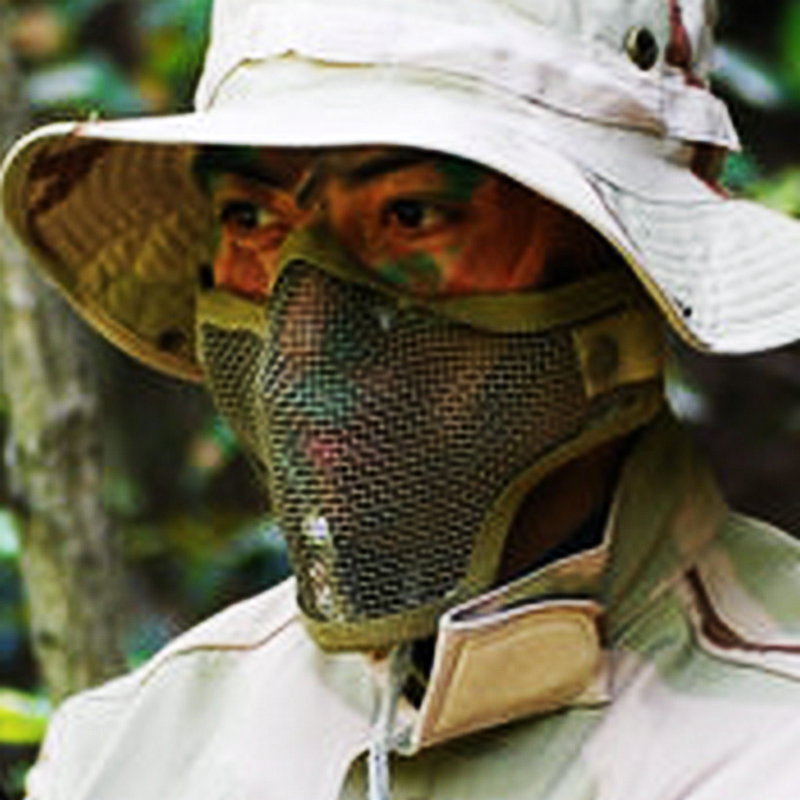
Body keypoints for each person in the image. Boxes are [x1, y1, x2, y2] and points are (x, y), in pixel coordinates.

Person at [4, 0, 800, 798]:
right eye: (250, 217)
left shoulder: (766, 748)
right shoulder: (130, 752)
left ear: (617, 262)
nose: (303, 338)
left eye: (412, 215)